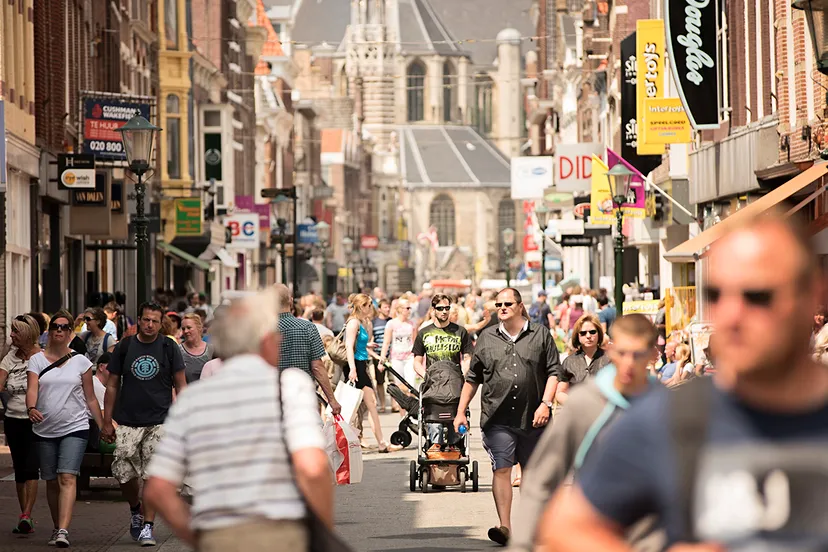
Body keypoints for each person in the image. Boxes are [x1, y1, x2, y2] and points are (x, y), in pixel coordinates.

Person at [538, 211, 828, 550]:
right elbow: (567, 527)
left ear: (811, 294)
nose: (731, 316)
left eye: (757, 296)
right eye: (716, 294)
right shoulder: (669, 417)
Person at [143, 289, 334, 551]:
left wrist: (201, 540)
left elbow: (157, 489)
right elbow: (313, 468)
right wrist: (321, 534)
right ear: (264, 341)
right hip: (280, 533)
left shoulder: (192, 400)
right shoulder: (290, 386)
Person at [509, 314, 661, 552]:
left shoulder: (669, 408)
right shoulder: (584, 404)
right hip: (595, 534)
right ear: (611, 351)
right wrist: (522, 544)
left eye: (638, 354)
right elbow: (542, 478)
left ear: (653, 355)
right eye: (622, 353)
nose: (629, 363)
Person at [453, 288, 560, 546]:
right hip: (497, 417)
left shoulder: (540, 334)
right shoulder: (487, 338)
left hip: (534, 417)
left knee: (532, 474)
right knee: (501, 469)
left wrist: (546, 404)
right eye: (498, 304)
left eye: (508, 303)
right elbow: (473, 378)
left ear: (520, 306)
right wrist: (460, 412)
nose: (502, 307)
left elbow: (554, 372)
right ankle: (505, 526)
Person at [101, 302, 188, 546]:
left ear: (161, 324)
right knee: (123, 473)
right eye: (146, 320)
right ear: (138, 320)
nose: (150, 325)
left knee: (152, 474)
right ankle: (135, 509)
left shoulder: (168, 346)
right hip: (128, 421)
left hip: (160, 420)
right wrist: (107, 421)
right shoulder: (125, 347)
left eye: (155, 321)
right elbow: (111, 384)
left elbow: (180, 385)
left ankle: (148, 526)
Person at [26, 309, 104, 547]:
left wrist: (103, 426)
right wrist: (30, 408)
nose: (59, 330)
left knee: (67, 477)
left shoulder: (81, 361)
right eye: (55, 327)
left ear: (71, 332)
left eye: (64, 327)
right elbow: (32, 388)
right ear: (49, 332)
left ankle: (63, 531)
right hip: (45, 428)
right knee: (50, 480)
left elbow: (91, 398)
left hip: (75, 427)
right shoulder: (36, 360)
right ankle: (56, 525)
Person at [0, 315, 42, 535]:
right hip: (13, 418)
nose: (11, 335)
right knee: (19, 468)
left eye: (16, 331)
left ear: (27, 333)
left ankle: (26, 514)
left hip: (35, 420)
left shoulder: (42, 357)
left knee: (31, 465)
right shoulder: (9, 358)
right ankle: (25, 515)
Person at [274, 285, 341, 417]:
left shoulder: (263, 330)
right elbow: (317, 366)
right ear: (291, 300)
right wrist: (332, 400)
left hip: (274, 397)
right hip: (303, 397)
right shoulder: (308, 327)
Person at [345, 293, 398, 453]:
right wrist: (353, 368)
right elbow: (348, 345)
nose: (371, 308)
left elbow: (358, 346)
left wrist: (371, 349)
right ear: (361, 306)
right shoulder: (353, 322)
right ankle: (377, 443)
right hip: (356, 367)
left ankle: (381, 443)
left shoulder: (361, 322)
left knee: (369, 404)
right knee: (356, 407)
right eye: (368, 305)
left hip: (361, 365)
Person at [412, 294, 473, 379]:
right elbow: (417, 362)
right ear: (433, 310)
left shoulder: (460, 331)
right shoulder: (423, 332)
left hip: (454, 382)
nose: (444, 311)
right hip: (433, 383)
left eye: (447, 308)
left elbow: (468, 358)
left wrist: (462, 375)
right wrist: (426, 376)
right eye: (440, 308)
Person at [555, 314, 611, 404]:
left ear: (599, 333)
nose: (588, 336)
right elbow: (560, 392)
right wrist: (575, 404)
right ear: (577, 336)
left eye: (592, 332)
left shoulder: (610, 359)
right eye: (583, 333)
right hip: (577, 413)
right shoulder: (569, 362)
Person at [380, 298, 419, 390]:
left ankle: (411, 403)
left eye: (410, 308)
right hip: (396, 358)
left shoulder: (412, 323)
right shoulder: (391, 323)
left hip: (409, 357)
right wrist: (382, 358)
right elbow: (386, 342)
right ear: (400, 309)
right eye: (407, 308)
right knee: (399, 384)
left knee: (411, 384)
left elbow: (415, 342)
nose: (409, 310)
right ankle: (401, 404)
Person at [178, 313, 214, 383]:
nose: (186, 331)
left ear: (199, 328)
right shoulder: (178, 350)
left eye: (189, 328)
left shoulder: (212, 350)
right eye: (183, 329)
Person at [372, 299, 392, 412]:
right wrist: (376, 356)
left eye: (388, 307)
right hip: (379, 355)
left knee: (393, 380)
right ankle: (383, 404)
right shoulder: (374, 322)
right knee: (380, 382)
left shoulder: (392, 321)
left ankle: (396, 404)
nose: (387, 309)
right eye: (385, 307)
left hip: (392, 355)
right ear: (379, 309)